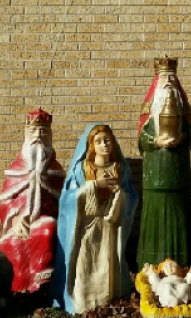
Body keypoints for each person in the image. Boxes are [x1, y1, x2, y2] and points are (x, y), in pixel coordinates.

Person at [52, 124, 138, 314]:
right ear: (91, 145)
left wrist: (119, 194)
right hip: (87, 226)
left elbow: (131, 196)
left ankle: (109, 298)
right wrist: (93, 185)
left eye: (107, 140)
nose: (104, 145)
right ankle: (85, 301)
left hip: (111, 224)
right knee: (86, 261)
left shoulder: (119, 169)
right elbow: (68, 198)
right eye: (98, 141)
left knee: (110, 261)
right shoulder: (82, 170)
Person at [137, 57, 191, 268]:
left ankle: (186, 265)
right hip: (155, 176)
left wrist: (182, 138)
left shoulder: (184, 111)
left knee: (181, 218)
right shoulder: (150, 110)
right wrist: (155, 141)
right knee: (155, 221)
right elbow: (141, 138)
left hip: (179, 174)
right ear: (157, 80)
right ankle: (151, 266)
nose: (168, 81)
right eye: (164, 77)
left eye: (171, 77)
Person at [0, 108, 65, 292]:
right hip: (19, 225)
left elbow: (63, 204)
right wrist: (15, 218)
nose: (38, 136)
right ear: (26, 134)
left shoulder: (56, 170)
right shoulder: (15, 169)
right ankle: (19, 286)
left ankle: (41, 285)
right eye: (33, 131)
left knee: (48, 229)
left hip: (46, 224)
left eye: (43, 131)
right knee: (14, 244)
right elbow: (6, 203)